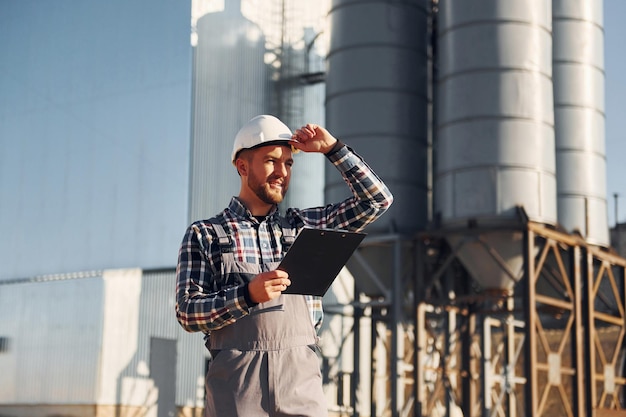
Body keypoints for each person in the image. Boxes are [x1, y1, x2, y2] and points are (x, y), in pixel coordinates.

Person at [175, 114, 393, 417]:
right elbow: (188, 312)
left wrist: (332, 149)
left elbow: (377, 201)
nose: (282, 172)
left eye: (288, 164)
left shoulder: (304, 227)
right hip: (237, 390)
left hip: (299, 383)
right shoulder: (206, 234)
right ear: (242, 167)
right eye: (271, 161)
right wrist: (246, 295)